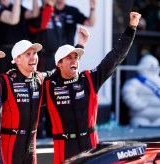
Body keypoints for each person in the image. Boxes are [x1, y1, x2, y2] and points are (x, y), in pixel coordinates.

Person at [43, 12, 141, 163]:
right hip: (64, 149)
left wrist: (131, 28)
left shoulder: (89, 79)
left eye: (76, 57)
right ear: (59, 64)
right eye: (69, 58)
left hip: (90, 146)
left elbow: (115, 57)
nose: (74, 60)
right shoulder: (49, 85)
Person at [122, 54, 160, 127]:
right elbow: (129, 95)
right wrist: (139, 105)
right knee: (140, 125)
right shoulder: (135, 82)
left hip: (159, 116)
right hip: (140, 115)